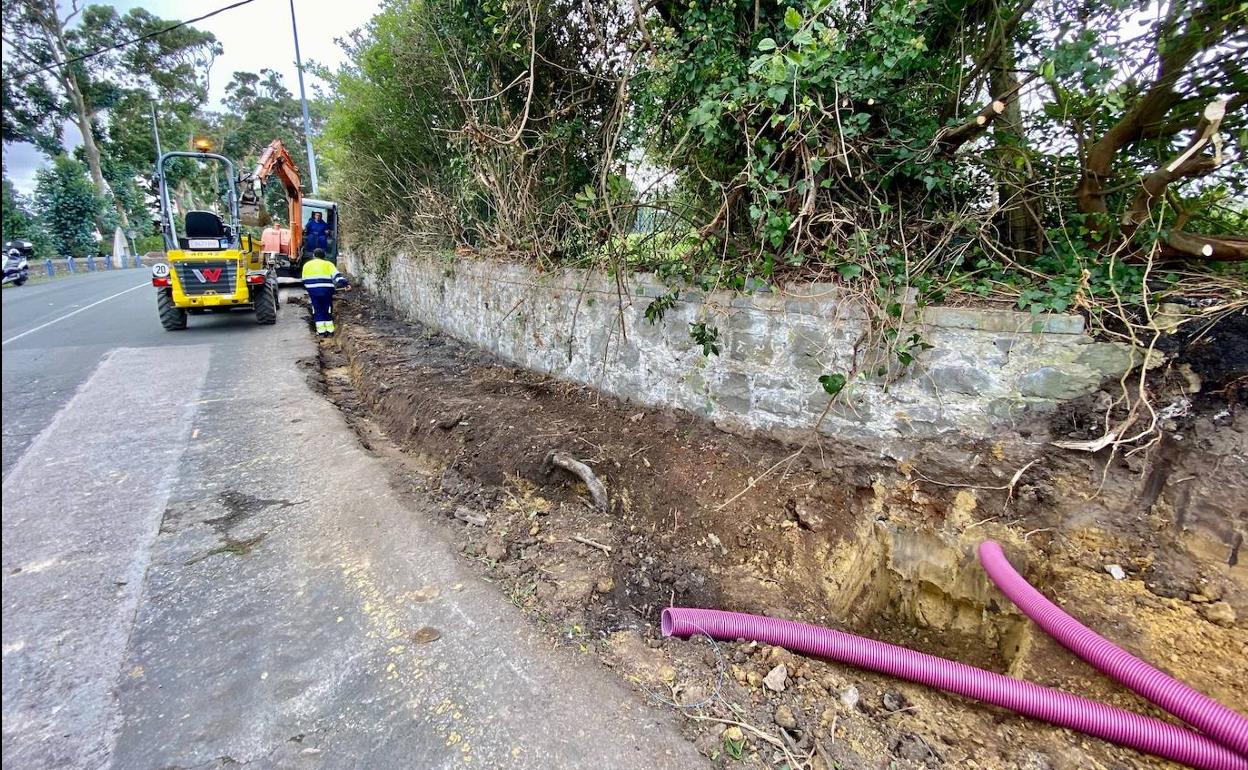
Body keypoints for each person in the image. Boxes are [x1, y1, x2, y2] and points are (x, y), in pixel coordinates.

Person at [301, 248, 349, 337]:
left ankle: (321, 332)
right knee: (327, 309)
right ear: (324, 256)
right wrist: (346, 284)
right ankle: (330, 331)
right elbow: (337, 277)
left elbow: (304, 280)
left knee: (317, 309)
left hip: (313, 291)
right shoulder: (328, 264)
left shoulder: (307, 265)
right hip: (326, 291)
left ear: (313, 256)